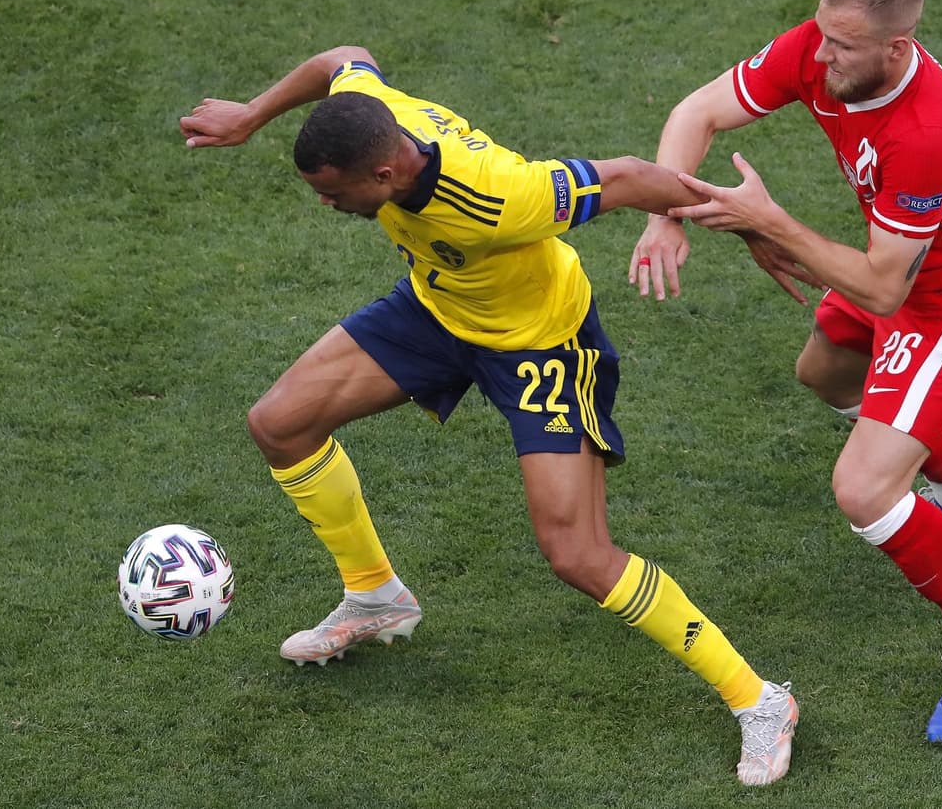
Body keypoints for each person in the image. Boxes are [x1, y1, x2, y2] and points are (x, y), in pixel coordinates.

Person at [178, 46, 798, 784]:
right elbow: (344, 58)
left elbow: (629, 176)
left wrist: (742, 224)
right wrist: (251, 116)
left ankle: (760, 699)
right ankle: (374, 594)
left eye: (334, 192)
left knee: (578, 555)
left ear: (384, 174)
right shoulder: (380, 115)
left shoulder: (498, 197)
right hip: (439, 308)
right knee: (280, 423)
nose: (326, 204)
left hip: (540, 343)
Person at [631, 0, 942, 745]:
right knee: (823, 371)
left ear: (896, 47)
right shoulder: (825, 48)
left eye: (842, 46)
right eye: (821, 34)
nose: (820, 57)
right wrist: (664, 214)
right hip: (901, 274)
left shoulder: (927, 129)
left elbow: (883, 291)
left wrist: (770, 222)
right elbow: (695, 112)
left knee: (863, 490)